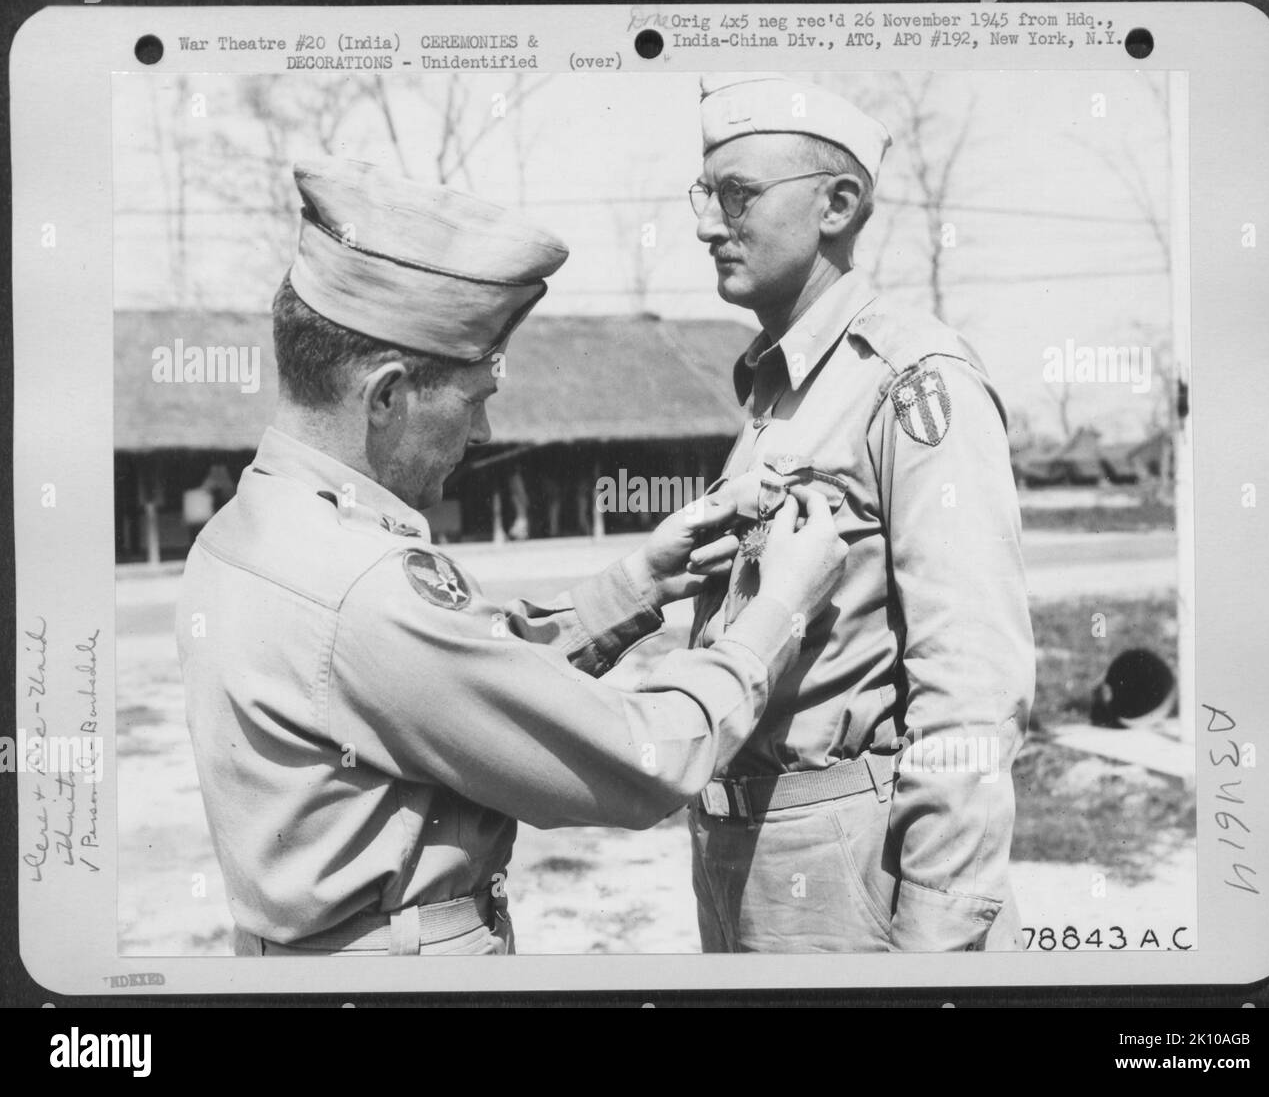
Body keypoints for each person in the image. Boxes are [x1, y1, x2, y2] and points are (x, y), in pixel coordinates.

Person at [175, 156, 847, 957]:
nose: (484, 437)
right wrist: (782, 609)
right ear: (387, 395)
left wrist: (643, 582)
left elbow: (449, 692)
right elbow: (645, 761)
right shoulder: (366, 590)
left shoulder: (248, 531)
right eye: (475, 401)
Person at [685, 74, 1036, 953]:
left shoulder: (914, 378)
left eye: (737, 195)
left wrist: (940, 938)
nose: (703, 223)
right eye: (702, 192)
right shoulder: (775, 388)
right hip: (739, 849)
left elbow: (971, 684)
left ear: (837, 205)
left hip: (847, 859)